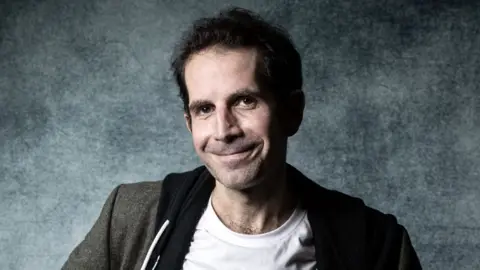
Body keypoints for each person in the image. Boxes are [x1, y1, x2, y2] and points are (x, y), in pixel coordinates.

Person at [62, 7, 422, 270]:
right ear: (189, 123)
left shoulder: (376, 244)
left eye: (245, 101)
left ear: (292, 111)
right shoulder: (131, 217)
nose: (223, 130)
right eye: (204, 109)